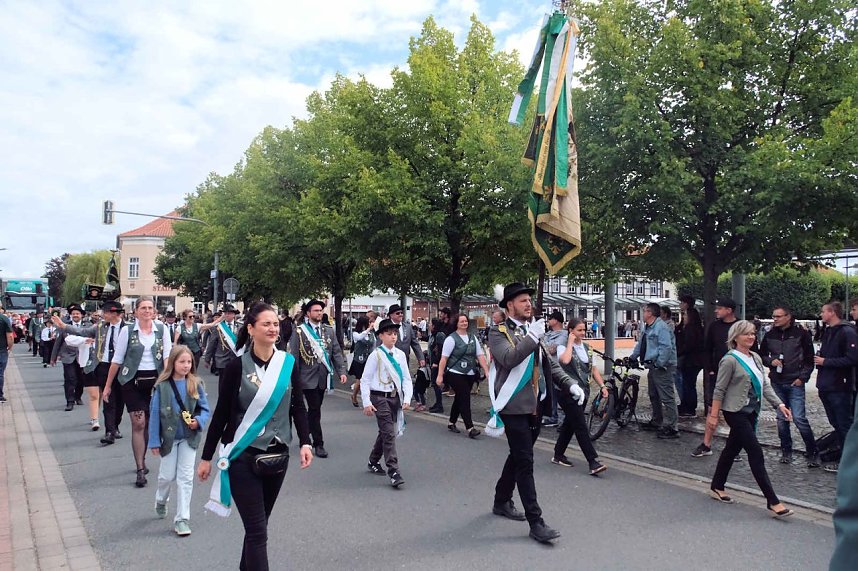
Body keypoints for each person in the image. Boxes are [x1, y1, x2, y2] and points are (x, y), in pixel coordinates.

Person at [198, 302, 312, 571]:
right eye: (266, 324)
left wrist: (306, 441)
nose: (273, 328)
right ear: (251, 329)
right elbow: (222, 414)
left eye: (275, 324)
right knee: (258, 532)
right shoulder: (237, 367)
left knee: (258, 527)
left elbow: (298, 405)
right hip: (243, 457)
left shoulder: (288, 363)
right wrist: (206, 457)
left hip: (277, 455)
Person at [486, 283, 585, 544]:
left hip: (534, 405)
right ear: (509, 305)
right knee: (525, 461)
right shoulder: (497, 333)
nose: (529, 304)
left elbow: (549, 363)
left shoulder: (532, 331)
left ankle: (500, 499)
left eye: (530, 299)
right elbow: (509, 359)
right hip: (512, 406)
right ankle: (536, 521)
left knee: (518, 456)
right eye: (522, 301)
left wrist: (569, 383)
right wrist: (532, 337)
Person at [708, 320, 795, 518]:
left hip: (751, 411)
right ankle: (773, 501)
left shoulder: (755, 357)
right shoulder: (729, 360)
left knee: (731, 449)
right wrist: (714, 416)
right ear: (735, 337)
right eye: (746, 334)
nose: (751, 337)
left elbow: (764, 385)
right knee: (755, 452)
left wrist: (779, 405)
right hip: (734, 411)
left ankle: (717, 486)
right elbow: (719, 389)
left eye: (753, 333)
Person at [104, 296, 172, 487]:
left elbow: (167, 356)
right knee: (138, 422)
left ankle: (142, 457)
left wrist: (169, 381)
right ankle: (140, 469)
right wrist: (108, 385)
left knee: (149, 423)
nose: (147, 311)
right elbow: (117, 359)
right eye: (143, 308)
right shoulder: (127, 331)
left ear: (154, 311)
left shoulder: (162, 329)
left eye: (150, 308)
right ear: (135, 311)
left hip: (155, 381)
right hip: (132, 381)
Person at [149, 345, 211, 536]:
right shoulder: (162, 386)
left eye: (189, 362)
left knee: (185, 478)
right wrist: (153, 441)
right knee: (166, 476)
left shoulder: (195, 383)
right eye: (181, 362)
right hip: (168, 438)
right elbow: (154, 415)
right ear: (173, 363)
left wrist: (198, 421)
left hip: (188, 438)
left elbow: (205, 409)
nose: (186, 366)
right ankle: (161, 499)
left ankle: (182, 519)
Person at [53, 301, 127, 445]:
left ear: (114, 314)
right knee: (108, 399)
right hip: (104, 366)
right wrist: (64, 326)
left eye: (105, 312)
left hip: (122, 368)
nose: (102, 315)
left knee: (120, 400)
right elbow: (83, 332)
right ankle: (109, 431)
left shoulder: (128, 328)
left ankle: (115, 425)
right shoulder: (100, 326)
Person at [759, 305, 819, 466]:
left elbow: (808, 358)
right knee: (781, 418)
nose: (775, 319)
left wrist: (802, 378)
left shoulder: (801, 334)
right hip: (777, 381)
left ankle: (812, 451)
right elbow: (762, 354)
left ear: (788, 317)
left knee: (799, 418)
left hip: (795, 381)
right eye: (774, 316)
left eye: (778, 316)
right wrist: (771, 361)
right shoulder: (770, 334)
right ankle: (786, 451)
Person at [289, 299, 347, 458]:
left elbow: (335, 351)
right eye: (316, 311)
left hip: (322, 377)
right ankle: (318, 443)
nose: (319, 313)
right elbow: (294, 355)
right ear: (308, 313)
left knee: (315, 409)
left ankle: (305, 434)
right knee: (314, 409)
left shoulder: (328, 331)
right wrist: (294, 380)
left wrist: (341, 371)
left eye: (321, 310)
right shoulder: (299, 331)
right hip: (305, 378)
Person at [360, 318, 413, 487]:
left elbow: (406, 378)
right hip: (379, 397)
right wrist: (366, 401)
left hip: (394, 397)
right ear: (381, 336)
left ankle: (373, 460)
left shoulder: (401, 355)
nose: (393, 337)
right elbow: (365, 380)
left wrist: (407, 398)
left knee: (385, 431)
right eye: (389, 334)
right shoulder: (376, 355)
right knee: (389, 433)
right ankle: (394, 470)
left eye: (395, 333)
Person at [555, 318, 608, 474]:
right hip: (566, 392)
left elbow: (593, 370)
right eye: (579, 330)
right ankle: (592, 461)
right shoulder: (562, 347)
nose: (583, 333)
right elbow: (565, 360)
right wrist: (570, 342)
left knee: (569, 424)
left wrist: (603, 386)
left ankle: (558, 454)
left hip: (583, 392)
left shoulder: (587, 348)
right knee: (580, 425)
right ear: (570, 331)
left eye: (584, 330)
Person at [814, 301, 858, 473]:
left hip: (840, 386)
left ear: (832, 313)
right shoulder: (829, 331)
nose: (821, 314)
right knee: (837, 424)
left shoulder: (847, 332)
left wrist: (826, 362)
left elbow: (852, 359)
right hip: (827, 384)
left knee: (843, 425)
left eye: (823, 311)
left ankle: (847, 462)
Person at [692, 297, 740, 458]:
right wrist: (709, 369)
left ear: (729, 310)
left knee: (735, 411)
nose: (716, 310)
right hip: (717, 374)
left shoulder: (740, 327)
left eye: (720, 308)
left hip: (737, 376)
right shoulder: (714, 327)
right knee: (713, 409)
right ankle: (706, 444)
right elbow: (707, 348)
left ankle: (735, 446)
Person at [629, 303, 679, 439]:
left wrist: (660, 363)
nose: (643, 313)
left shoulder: (661, 327)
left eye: (644, 311)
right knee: (653, 394)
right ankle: (657, 421)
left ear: (650, 313)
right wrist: (633, 357)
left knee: (667, 397)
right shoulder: (648, 327)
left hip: (663, 367)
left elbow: (666, 347)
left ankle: (673, 427)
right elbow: (642, 344)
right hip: (653, 366)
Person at [436, 313, 488, 438]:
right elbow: (444, 359)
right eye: (462, 321)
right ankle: (470, 428)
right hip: (455, 372)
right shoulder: (451, 339)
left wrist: (486, 370)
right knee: (465, 398)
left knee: (460, 398)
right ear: (456, 324)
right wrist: (440, 375)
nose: (464, 323)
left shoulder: (472, 338)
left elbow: (480, 355)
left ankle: (451, 422)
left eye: (466, 321)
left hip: (470, 373)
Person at [51, 304, 89, 411]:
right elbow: (58, 342)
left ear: (82, 315)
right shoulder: (64, 326)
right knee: (70, 378)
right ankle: (70, 401)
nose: (75, 315)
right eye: (73, 314)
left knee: (81, 379)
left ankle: (78, 396)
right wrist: (53, 357)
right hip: (68, 356)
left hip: (82, 356)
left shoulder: (88, 326)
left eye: (77, 313)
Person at [675, 296, 704, 417]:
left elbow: (689, 345)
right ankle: (686, 405)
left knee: (689, 384)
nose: (684, 318)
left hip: (692, 361)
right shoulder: (688, 328)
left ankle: (689, 407)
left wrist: (679, 352)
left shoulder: (692, 329)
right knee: (687, 383)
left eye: (685, 316)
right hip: (690, 360)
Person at [541, 311, 568, 428]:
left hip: (557, 368)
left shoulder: (563, 334)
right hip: (545, 367)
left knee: (557, 393)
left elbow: (552, 350)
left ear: (556, 320)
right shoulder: (547, 334)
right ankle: (551, 415)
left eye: (550, 318)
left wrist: (543, 346)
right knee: (549, 392)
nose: (548, 320)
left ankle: (558, 418)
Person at [204, 305, 241, 378]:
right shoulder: (218, 327)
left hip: (237, 358)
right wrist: (207, 359)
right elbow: (212, 343)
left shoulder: (240, 327)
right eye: (225, 313)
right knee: (223, 384)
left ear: (234, 314)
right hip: (222, 360)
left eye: (229, 313)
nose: (227, 315)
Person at [349, 315, 375, 408]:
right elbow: (360, 337)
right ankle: (354, 395)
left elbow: (374, 344)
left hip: (369, 360)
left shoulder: (372, 333)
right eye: (368, 322)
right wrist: (368, 330)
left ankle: (368, 400)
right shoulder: (356, 333)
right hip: (359, 360)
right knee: (359, 380)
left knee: (370, 381)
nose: (370, 324)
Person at [426, 318, 446, 413]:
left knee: (436, 384)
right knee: (434, 384)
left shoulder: (439, 335)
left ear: (434, 325)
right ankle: (438, 403)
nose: (429, 325)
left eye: (430, 323)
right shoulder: (433, 335)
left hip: (437, 364)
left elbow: (441, 351)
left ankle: (440, 405)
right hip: (432, 362)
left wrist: (436, 362)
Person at [0, 308, 13, 403]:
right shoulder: (4, 319)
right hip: (2, 349)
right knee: (0, 373)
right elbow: (10, 336)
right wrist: (10, 346)